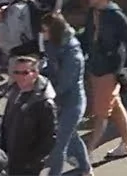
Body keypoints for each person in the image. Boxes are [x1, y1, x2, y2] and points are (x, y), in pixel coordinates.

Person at [82, 0, 127, 158]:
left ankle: (87, 153)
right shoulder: (92, 13)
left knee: (101, 114)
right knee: (114, 107)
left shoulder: (116, 16)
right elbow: (87, 38)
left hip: (108, 71)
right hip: (95, 67)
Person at [41, 13, 93, 176]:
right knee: (71, 136)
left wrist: (46, 92)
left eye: (45, 30)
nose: (43, 33)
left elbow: (65, 83)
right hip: (62, 101)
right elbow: (50, 68)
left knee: (59, 144)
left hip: (73, 103)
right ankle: (85, 168)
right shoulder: (53, 44)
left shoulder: (73, 53)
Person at [0, 55, 58, 175]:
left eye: (25, 72)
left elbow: (49, 138)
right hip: (12, 156)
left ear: (35, 74)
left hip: (28, 164)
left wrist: (32, 162)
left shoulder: (44, 103)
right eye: (17, 72)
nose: (20, 77)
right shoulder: (14, 92)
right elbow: (7, 123)